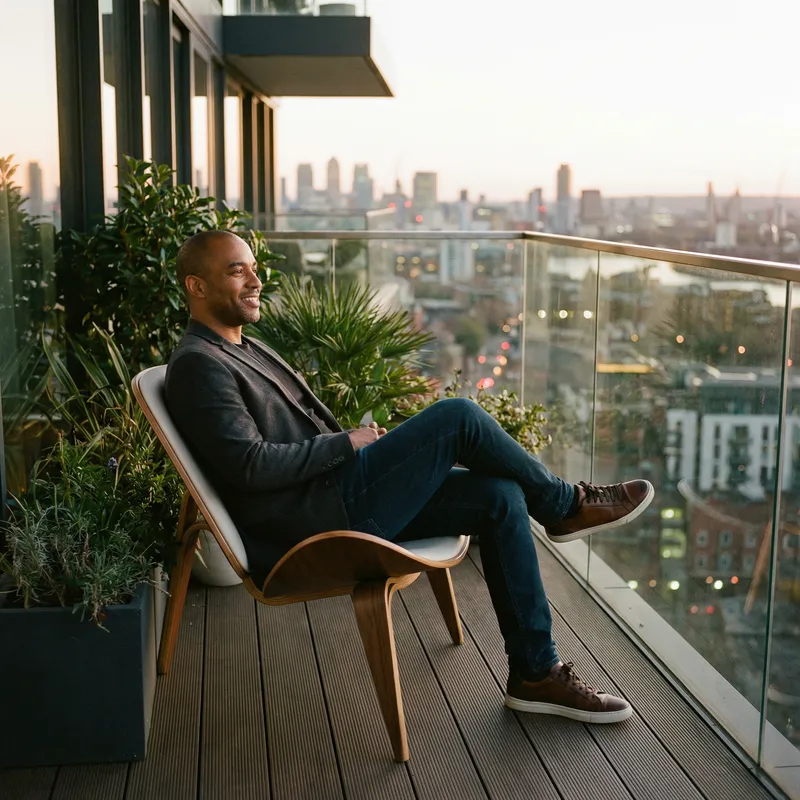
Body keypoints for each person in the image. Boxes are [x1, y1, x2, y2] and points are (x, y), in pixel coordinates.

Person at [166, 230, 655, 724]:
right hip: (315, 525)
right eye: (237, 271)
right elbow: (248, 466)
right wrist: (346, 444)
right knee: (458, 417)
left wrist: (358, 448)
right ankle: (565, 505)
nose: (255, 280)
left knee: (501, 495)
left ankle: (535, 672)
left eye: (253, 268)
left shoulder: (242, 347)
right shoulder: (199, 366)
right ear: (196, 286)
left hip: (335, 495)